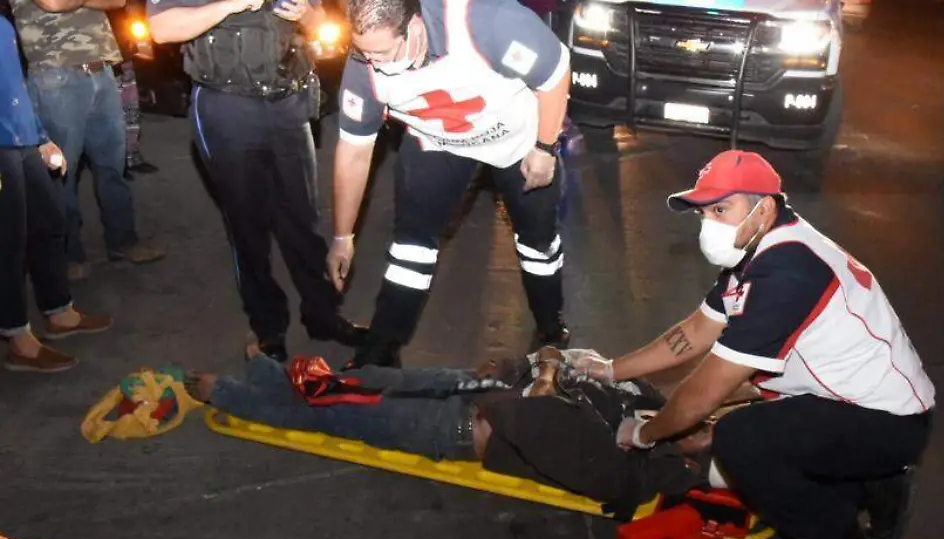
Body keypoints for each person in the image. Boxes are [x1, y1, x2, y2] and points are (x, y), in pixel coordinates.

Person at [569, 150, 937, 539]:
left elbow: (706, 391)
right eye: (704, 212)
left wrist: (645, 434)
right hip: (860, 403)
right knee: (742, 429)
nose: (709, 224)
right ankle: (879, 484)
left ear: (762, 209)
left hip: (888, 421)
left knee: (740, 441)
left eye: (721, 210)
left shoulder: (787, 273)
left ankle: (833, 538)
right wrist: (610, 369)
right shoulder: (760, 251)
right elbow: (695, 333)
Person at [331, 0, 572, 369]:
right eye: (365, 53)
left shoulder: (486, 21)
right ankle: (381, 349)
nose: (374, 64)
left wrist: (545, 147)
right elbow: (353, 153)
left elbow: (554, 72)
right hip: (438, 142)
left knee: (538, 243)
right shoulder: (363, 67)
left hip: (518, 141)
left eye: (383, 53)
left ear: (414, 26)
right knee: (410, 248)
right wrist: (342, 235)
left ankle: (550, 327)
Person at [189, 346, 717, 514]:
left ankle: (230, 394)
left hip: (458, 426)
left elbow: (539, 421)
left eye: (705, 431)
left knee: (340, 413)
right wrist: (539, 365)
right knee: (360, 378)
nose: (703, 420)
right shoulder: (652, 407)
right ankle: (271, 376)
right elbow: (579, 362)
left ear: (691, 459)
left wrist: (546, 377)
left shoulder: (629, 475)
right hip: (473, 388)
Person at [147, 0, 367, 362]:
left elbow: (322, 22)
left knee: (302, 220)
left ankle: (323, 315)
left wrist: (308, 15)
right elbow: (161, 29)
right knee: (247, 226)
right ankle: (268, 326)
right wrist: (230, 4)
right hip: (226, 105)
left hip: (289, 101)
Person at [10, 0, 165, 282]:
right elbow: (53, 3)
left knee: (113, 166)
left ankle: (123, 240)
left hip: (102, 70)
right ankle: (67, 253)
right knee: (60, 174)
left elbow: (118, 1)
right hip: (55, 73)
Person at [1, 14, 113, 372]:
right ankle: (19, 339)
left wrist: (40, 137)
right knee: (8, 243)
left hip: (20, 136)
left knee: (48, 223)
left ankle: (59, 312)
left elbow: (14, 84)